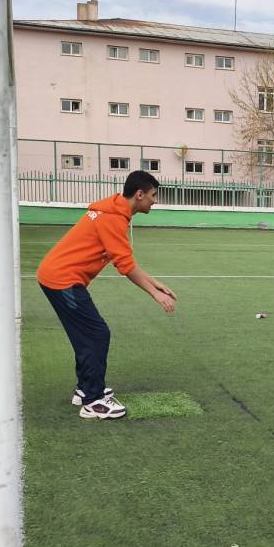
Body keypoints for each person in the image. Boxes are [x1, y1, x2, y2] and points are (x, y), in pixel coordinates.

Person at [36, 170, 177, 419]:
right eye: (153, 195)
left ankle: (85, 388)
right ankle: (93, 401)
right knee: (96, 334)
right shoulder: (112, 218)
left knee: (86, 335)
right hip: (63, 281)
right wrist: (155, 295)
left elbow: (126, 261)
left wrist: (156, 284)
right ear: (139, 194)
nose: (155, 201)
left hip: (59, 277)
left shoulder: (113, 212)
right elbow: (126, 267)